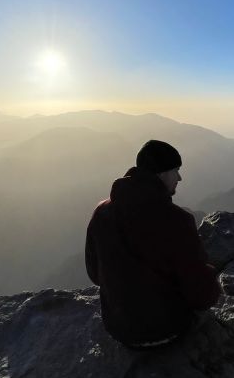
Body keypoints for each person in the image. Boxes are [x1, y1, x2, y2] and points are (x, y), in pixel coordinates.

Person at [85, 139, 221, 348]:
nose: (180, 178)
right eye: (176, 171)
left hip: (118, 329)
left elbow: (95, 274)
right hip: (167, 328)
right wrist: (213, 280)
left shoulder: (102, 212)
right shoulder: (177, 220)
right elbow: (199, 292)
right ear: (161, 174)